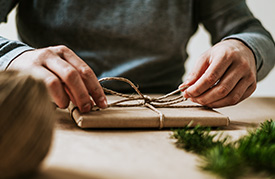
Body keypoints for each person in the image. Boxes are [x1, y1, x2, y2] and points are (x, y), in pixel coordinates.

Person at [0, 0, 274, 113]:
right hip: (45, 110)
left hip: (167, 113)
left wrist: (244, 48)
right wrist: (13, 58)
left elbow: (251, 32)